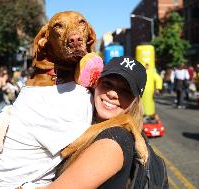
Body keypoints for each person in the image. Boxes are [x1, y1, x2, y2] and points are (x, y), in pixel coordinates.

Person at [18, 56, 147, 189]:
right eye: (107, 83)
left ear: (135, 102)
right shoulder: (82, 119)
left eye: (125, 91)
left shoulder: (114, 140)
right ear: (96, 83)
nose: (113, 94)